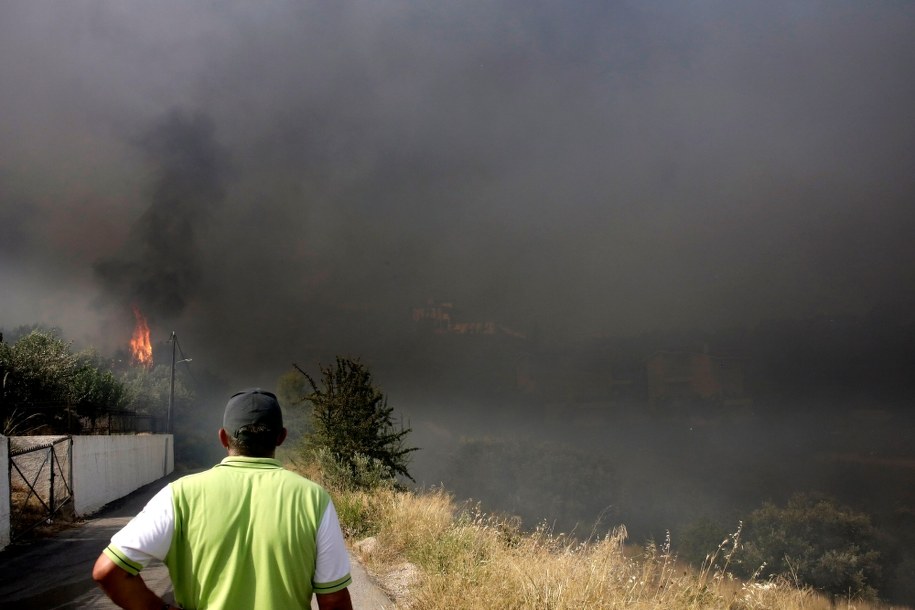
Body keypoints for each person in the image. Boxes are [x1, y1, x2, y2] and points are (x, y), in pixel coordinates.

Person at [93, 388, 354, 610]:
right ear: (281, 437)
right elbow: (333, 601)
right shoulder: (314, 498)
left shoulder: (179, 495)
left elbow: (108, 571)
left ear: (222, 437)